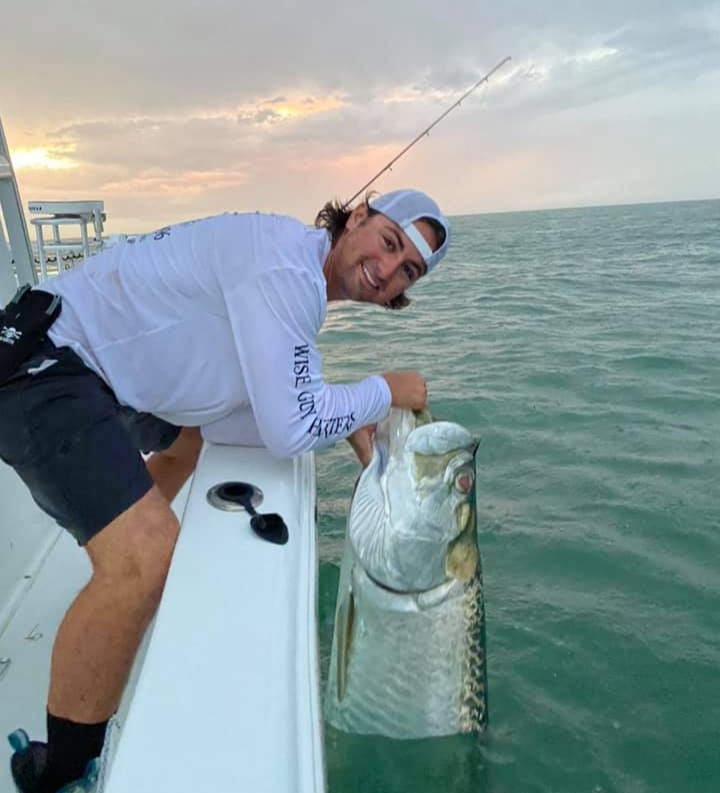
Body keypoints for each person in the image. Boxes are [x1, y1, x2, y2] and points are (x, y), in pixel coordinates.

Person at [0, 187, 450, 793]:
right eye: (391, 243)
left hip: (100, 368)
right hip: (45, 362)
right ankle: (58, 772)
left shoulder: (294, 272)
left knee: (187, 440)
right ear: (361, 216)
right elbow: (291, 427)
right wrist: (383, 390)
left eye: (409, 271)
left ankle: (116, 580)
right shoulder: (284, 268)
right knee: (147, 560)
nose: (389, 270)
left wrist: (347, 418)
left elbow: (266, 411)